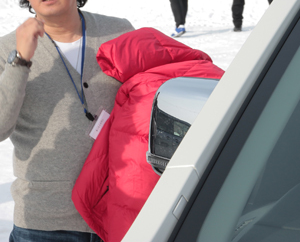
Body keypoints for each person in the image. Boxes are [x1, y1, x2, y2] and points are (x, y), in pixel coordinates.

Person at [0, 0, 134, 242]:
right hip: (44, 225)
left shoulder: (118, 34)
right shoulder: (7, 47)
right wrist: (20, 60)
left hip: (117, 217)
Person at [72, 27, 224, 242]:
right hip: (216, 212)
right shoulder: (218, 76)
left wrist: (94, 211)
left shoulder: (135, 91)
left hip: (141, 222)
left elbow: (97, 168)